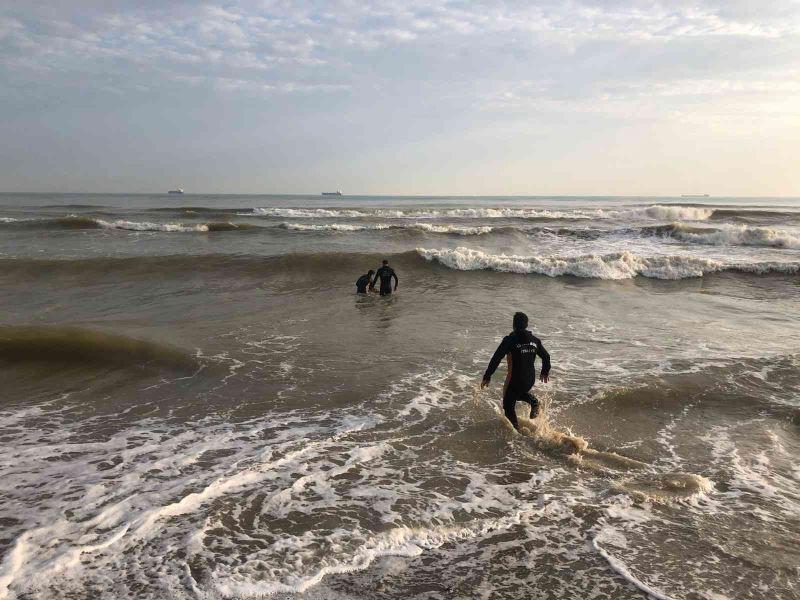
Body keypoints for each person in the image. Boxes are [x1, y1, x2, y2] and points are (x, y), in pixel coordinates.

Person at [481, 312, 550, 430]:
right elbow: (546, 356)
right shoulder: (535, 340)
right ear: (526, 325)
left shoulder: (510, 340)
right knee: (517, 394)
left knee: (508, 406)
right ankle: (532, 400)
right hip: (530, 379)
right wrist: (545, 371)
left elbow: (496, 358)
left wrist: (487, 375)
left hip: (515, 379)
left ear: (513, 325)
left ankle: (516, 433)